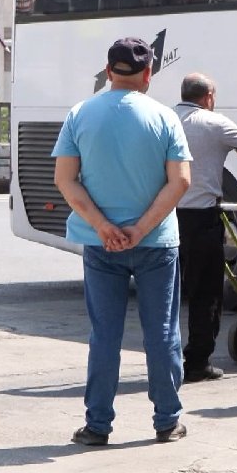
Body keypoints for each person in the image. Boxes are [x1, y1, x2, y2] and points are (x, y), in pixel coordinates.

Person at [53, 37, 193, 446]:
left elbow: (65, 180)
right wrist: (141, 229)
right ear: (148, 73)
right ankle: (167, 421)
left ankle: (98, 425)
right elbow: (180, 181)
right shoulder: (165, 118)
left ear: (108, 70)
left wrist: (102, 226)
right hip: (157, 243)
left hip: (100, 246)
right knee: (161, 332)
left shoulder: (80, 113)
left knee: (105, 335)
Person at [174, 73, 237, 383]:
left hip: (164, 217)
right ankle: (197, 362)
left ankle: (166, 360)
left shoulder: (165, 118)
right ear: (208, 97)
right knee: (205, 293)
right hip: (200, 219)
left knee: (166, 293)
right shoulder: (214, 122)